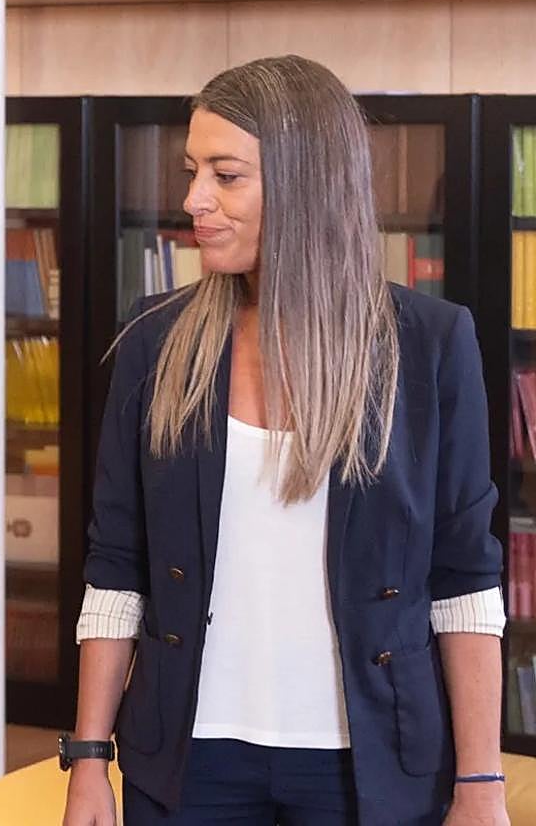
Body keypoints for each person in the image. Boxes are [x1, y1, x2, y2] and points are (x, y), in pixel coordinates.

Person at [62, 55, 508, 826]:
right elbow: (116, 567)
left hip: (371, 762)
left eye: (226, 176)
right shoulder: (155, 342)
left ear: (309, 183)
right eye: (192, 172)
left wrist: (480, 782)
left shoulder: (431, 343)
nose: (194, 200)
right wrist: (91, 757)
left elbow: (463, 580)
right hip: (188, 759)